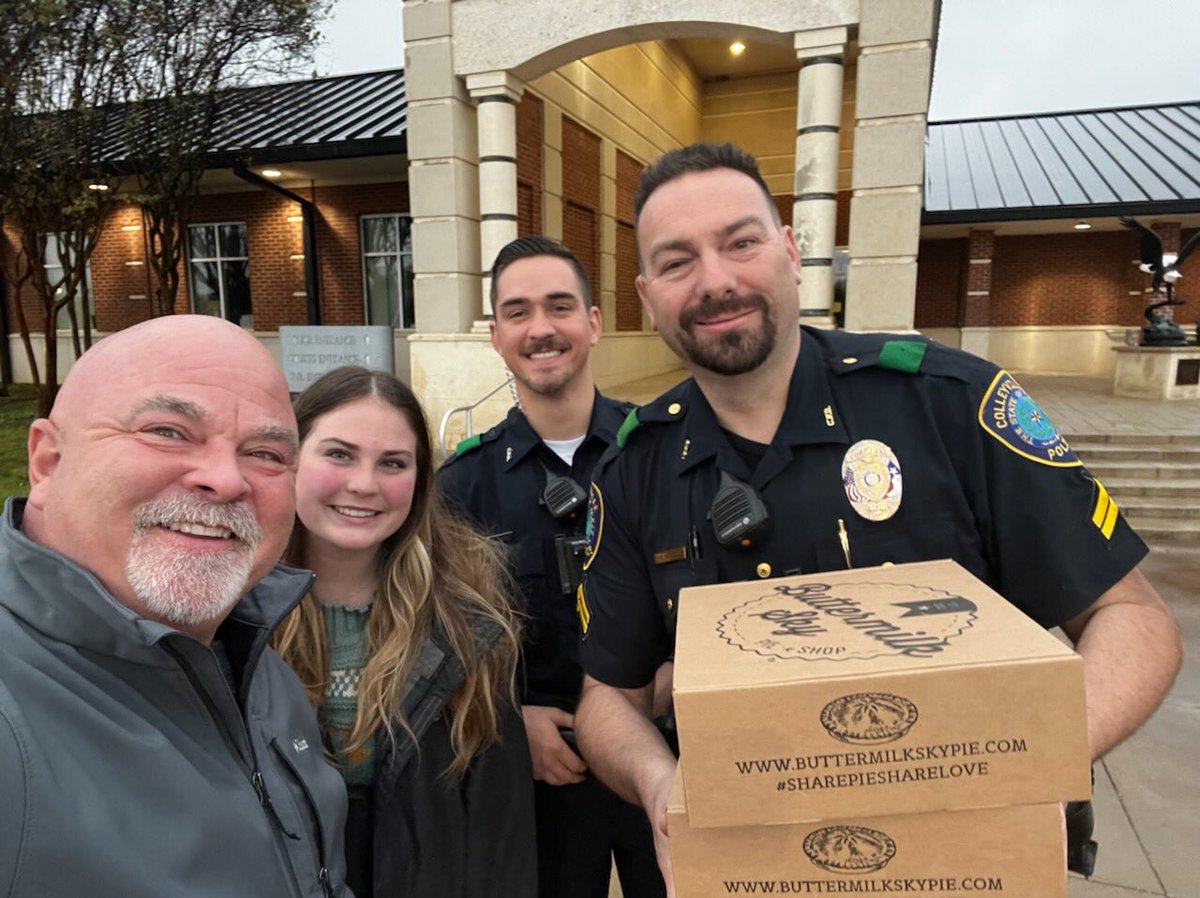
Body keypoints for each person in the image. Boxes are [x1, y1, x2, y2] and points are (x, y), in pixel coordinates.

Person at [572, 143, 1183, 892]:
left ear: (793, 252)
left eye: (741, 242)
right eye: (676, 261)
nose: (716, 280)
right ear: (646, 293)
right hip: (752, 869)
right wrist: (657, 782)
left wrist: (1032, 766)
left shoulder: (950, 405)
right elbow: (608, 699)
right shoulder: (634, 473)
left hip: (969, 863)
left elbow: (1131, 617)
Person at [0, 315, 351, 898]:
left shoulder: (255, 661)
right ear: (48, 462)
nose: (225, 478)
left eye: (265, 453)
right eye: (167, 431)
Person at [439, 235, 666, 898]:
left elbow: (719, 595)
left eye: (559, 307)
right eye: (517, 312)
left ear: (593, 323)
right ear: (496, 335)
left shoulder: (663, 453)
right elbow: (439, 641)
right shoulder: (459, 490)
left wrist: (677, 677)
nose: (540, 329)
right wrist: (510, 724)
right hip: (541, 781)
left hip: (665, 757)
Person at [273, 366, 535, 898]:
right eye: (339, 454)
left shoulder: (468, 629)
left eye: (392, 463)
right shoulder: (231, 621)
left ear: (419, 482)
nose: (364, 484)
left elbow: (498, 833)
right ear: (292, 459)